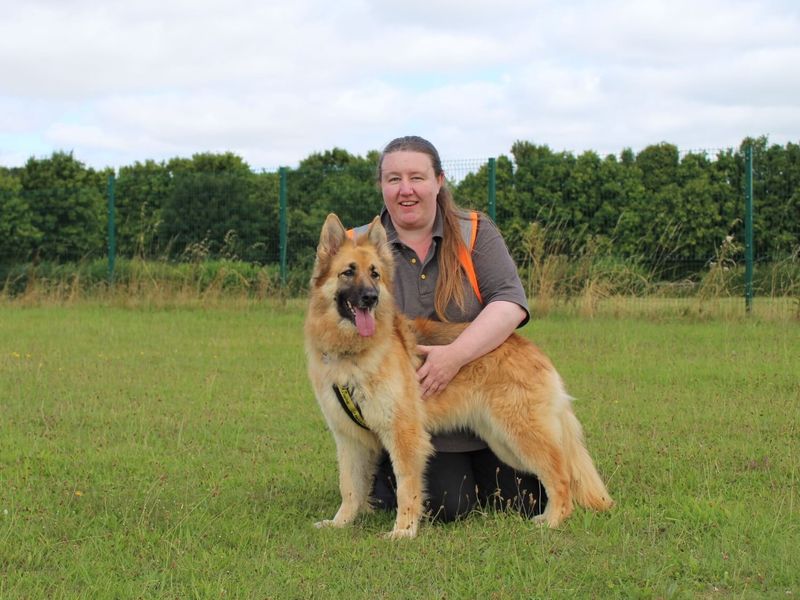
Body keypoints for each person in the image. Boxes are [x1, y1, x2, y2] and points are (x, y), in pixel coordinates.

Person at [369, 135, 547, 522]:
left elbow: (510, 302)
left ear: (439, 181)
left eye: (416, 177)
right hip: (408, 415)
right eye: (393, 179)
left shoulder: (474, 232)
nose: (405, 190)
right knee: (447, 505)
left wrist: (455, 356)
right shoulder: (361, 246)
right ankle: (384, 473)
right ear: (381, 185)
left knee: (523, 500)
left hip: (481, 402)